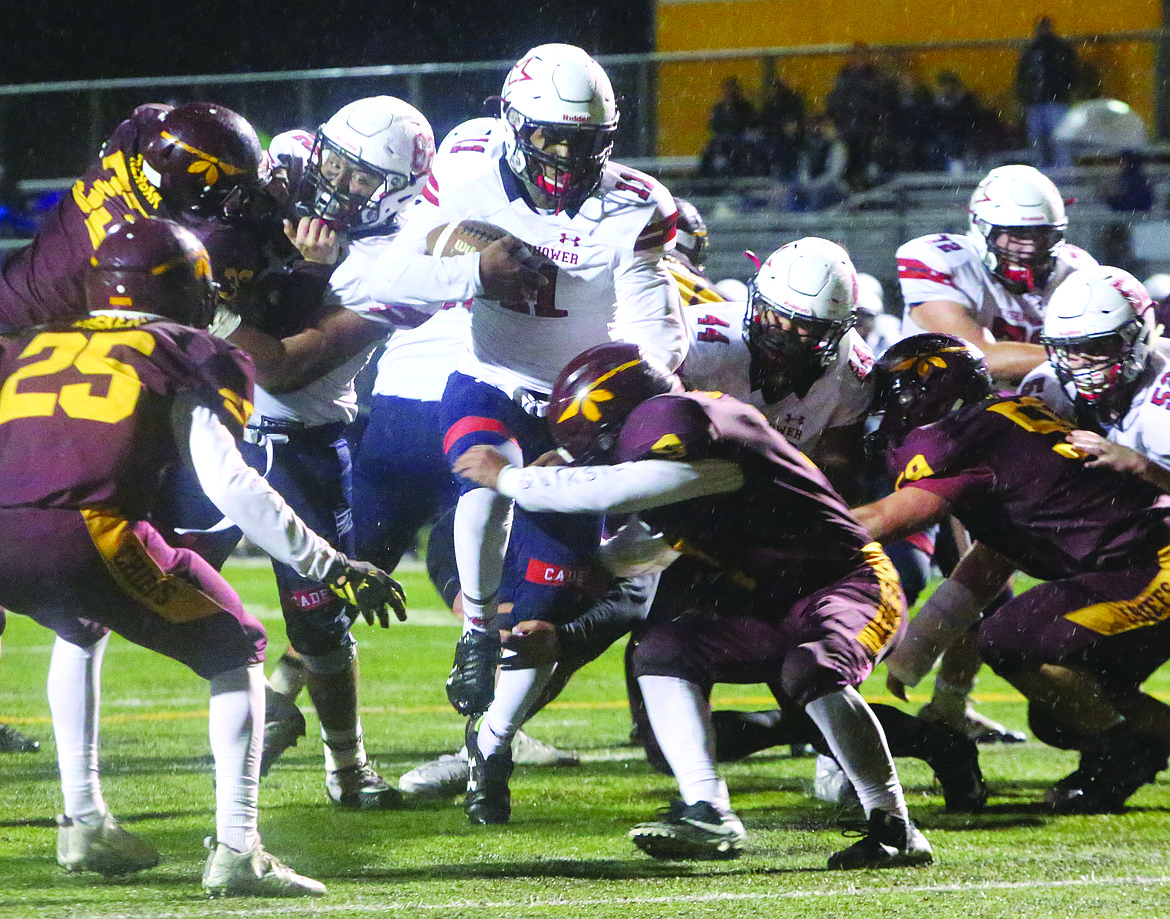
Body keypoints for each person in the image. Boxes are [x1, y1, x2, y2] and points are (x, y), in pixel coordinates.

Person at [0, 219, 404, 896]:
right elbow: (231, 482)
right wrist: (329, 563)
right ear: (185, 288)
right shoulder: (180, 347)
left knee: (80, 623)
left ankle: (85, 817)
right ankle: (239, 846)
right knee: (235, 642)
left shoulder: (34, 344)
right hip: (86, 527)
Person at [454, 342, 932, 868]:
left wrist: (509, 477)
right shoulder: (686, 445)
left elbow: (618, 488)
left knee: (810, 667)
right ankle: (707, 808)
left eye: (597, 445)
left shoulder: (689, 421)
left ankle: (894, 826)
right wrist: (596, 579)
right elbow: (655, 542)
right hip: (768, 601)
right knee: (663, 649)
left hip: (848, 581)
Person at [365, 43, 687, 824]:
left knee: (542, 622)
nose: (566, 155)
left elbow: (656, 332)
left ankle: (491, 741)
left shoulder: (636, 205)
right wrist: (471, 261)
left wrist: (619, 404)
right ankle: (475, 628)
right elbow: (402, 266)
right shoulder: (467, 163)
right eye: (550, 136)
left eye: (584, 141)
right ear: (513, 124)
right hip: (489, 375)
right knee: (488, 472)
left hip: (576, 405)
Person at [163, 96, 436, 810]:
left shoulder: (392, 265)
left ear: (397, 195)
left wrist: (206, 305)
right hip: (214, 430)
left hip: (305, 444)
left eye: (362, 180)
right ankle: (92, 785)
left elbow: (282, 366)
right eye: (336, 167)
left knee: (321, 622)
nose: (340, 188)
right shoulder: (271, 200)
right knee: (127, 580)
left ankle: (347, 769)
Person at [855, 333, 1170, 812]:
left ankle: (1125, 753)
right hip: (1132, 565)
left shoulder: (960, 437)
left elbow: (883, 520)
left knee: (1015, 636)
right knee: (1060, 717)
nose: (886, 412)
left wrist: (780, 537)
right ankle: (1132, 743)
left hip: (1153, 562)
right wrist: (915, 655)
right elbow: (990, 561)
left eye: (894, 397)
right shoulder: (998, 423)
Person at [894, 163, 1097, 743]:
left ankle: (947, 705)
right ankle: (875, 706)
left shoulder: (1075, 270)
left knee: (989, 567)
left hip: (1010, 436)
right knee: (939, 572)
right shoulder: (935, 257)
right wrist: (1086, 348)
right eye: (1014, 233)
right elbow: (971, 353)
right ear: (981, 227)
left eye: (1040, 235)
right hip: (922, 430)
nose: (1027, 247)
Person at [0, 102, 271, 331]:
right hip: (28, 337)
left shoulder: (134, 135)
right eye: (230, 191)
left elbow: (159, 114)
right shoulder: (165, 242)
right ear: (195, 189)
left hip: (13, 286)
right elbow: (273, 366)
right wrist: (313, 267)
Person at [1020, 266, 1170, 493]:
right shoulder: (1047, 384)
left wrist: (1141, 466)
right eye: (1067, 348)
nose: (1079, 362)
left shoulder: (1162, 392)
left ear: (1138, 338)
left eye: (1096, 346)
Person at [1015, 17, 1081, 168]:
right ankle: (1060, 176)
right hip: (1049, 101)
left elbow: (1023, 77)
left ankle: (1055, 175)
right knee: (1051, 143)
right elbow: (1073, 73)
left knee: (1050, 143)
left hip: (1047, 101)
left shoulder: (1034, 51)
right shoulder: (1058, 49)